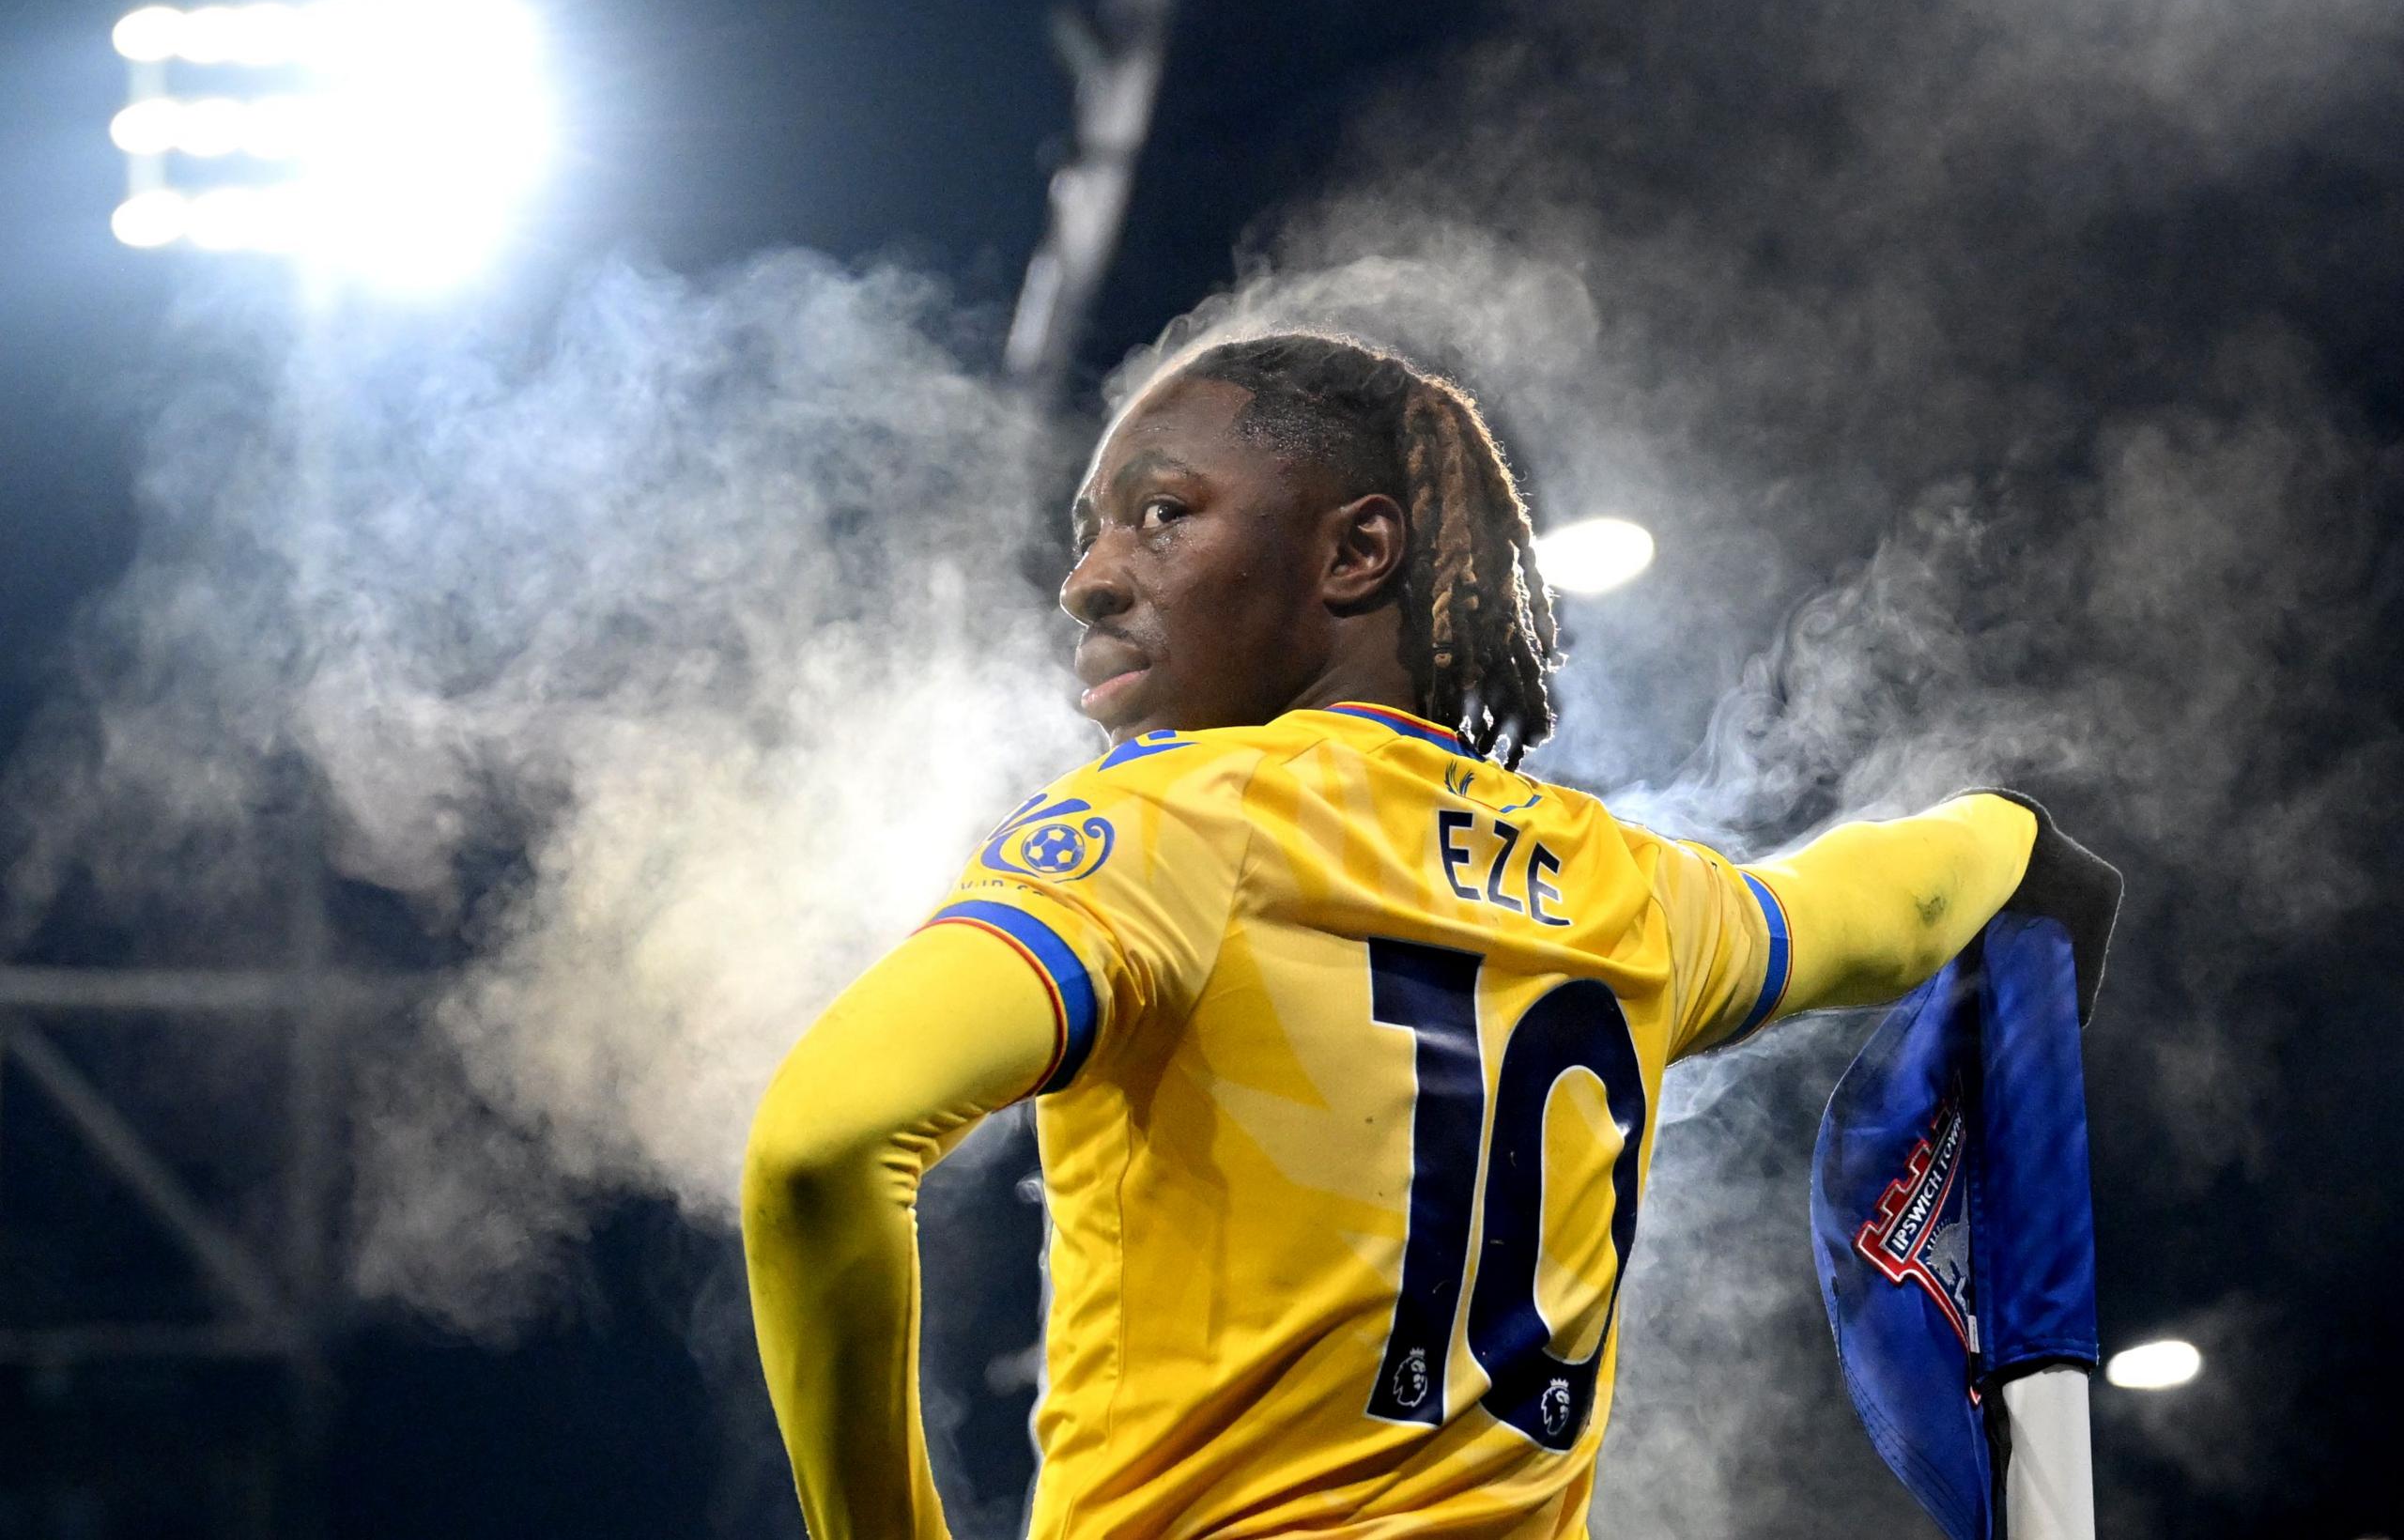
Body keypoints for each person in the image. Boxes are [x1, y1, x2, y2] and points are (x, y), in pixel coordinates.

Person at [741, 332, 2117, 1539]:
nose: (1089, 578)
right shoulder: (1629, 892)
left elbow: (823, 1141)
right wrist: (2019, 846)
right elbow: (1876, 908)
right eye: (1089, 528)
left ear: (1356, 552)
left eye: (1161, 514)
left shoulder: (1176, 825)